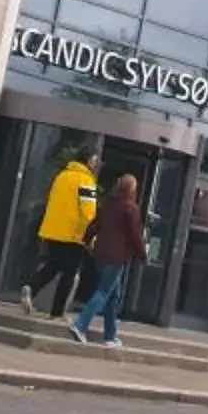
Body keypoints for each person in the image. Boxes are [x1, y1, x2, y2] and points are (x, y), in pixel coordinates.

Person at [20, 148, 101, 316]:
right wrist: (91, 234)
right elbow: (88, 211)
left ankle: (32, 286)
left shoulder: (61, 177)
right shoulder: (86, 180)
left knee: (54, 264)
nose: (95, 164)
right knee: (70, 272)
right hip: (73, 234)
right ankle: (57, 312)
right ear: (87, 161)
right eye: (94, 160)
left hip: (53, 230)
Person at [69, 172, 145, 348]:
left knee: (113, 296)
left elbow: (95, 225)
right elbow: (135, 235)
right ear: (133, 190)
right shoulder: (130, 208)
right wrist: (141, 255)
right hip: (117, 257)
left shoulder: (108, 204)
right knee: (103, 292)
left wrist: (87, 239)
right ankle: (80, 325)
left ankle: (110, 336)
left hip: (101, 254)